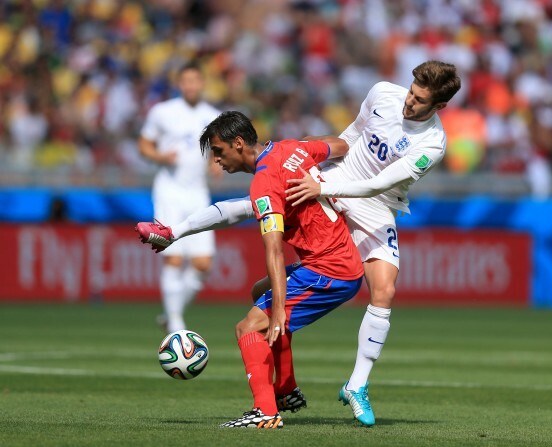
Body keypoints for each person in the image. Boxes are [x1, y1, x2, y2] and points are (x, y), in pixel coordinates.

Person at [136, 60, 461, 426]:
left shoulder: (432, 143)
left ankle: (353, 386)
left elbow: (377, 184)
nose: (409, 103)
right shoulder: (383, 94)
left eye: (419, 101)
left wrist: (318, 182)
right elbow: (347, 138)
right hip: (331, 177)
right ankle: (285, 387)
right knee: (260, 279)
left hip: (373, 202)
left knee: (382, 291)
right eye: (411, 92)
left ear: (439, 106)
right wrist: (305, 154)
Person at [153, 111, 363, 429]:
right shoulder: (291, 148)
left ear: (239, 144)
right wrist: (309, 147)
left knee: (249, 327)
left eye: (219, 152)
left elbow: (274, 249)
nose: (218, 161)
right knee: (259, 293)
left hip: (329, 270)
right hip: (336, 259)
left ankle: (265, 411)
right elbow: (341, 146)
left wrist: (278, 310)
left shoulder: (264, 182)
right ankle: (287, 388)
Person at [137, 62, 221, 333]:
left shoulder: (213, 116)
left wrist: (215, 163)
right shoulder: (163, 112)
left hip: (198, 192)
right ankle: (175, 323)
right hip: (169, 191)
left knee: (203, 264)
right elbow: (144, 145)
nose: (191, 86)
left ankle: (171, 313)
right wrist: (161, 156)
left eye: (195, 80)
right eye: (186, 81)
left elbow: (216, 151)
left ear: (202, 83)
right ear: (179, 84)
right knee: (173, 258)